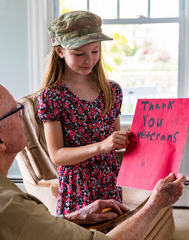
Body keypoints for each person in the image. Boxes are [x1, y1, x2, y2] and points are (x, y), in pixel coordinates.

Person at [0, 79, 185, 240]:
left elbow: (29, 230)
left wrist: (75, 217)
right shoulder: (10, 209)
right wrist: (157, 201)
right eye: (16, 111)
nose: (24, 116)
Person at [38, 10, 130, 215]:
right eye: (79, 53)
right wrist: (102, 146)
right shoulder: (52, 97)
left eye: (95, 51)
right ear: (60, 51)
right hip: (77, 189)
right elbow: (57, 155)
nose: (89, 60)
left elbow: (114, 145)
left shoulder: (112, 90)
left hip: (110, 182)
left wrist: (127, 138)